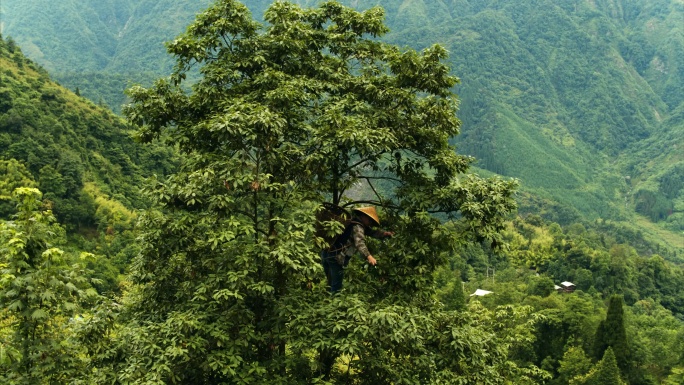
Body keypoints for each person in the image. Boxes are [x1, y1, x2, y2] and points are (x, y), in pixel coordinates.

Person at [320, 206, 394, 293]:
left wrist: (385, 234)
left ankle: (327, 299)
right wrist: (369, 256)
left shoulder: (353, 222)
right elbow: (359, 243)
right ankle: (333, 304)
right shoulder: (358, 226)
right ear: (364, 216)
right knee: (336, 285)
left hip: (326, 252)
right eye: (370, 220)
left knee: (331, 281)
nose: (370, 223)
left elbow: (372, 232)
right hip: (336, 256)